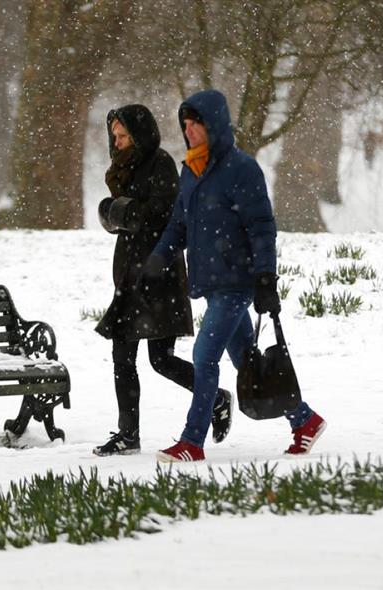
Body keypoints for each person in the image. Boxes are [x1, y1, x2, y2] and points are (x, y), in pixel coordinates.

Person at [139, 89, 326, 463]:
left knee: (204, 355)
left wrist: (265, 279)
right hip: (212, 283)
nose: (189, 131)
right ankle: (303, 420)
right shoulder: (190, 171)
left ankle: (192, 441)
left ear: (215, 125)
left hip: (238, 283)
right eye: (186, 124)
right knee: (245, 359)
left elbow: (261, 228)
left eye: (197, 124)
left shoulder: (242, 169)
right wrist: (158, 258)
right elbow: (179, 224)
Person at [93, 104, 233, 457]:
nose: (118, 142)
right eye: (115, 136)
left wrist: (118, 211)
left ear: (140, 134)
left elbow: (160, 215)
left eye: (124, 135)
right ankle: (128, 435)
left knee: (160, 359)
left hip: (159, 275)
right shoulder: (121, 168)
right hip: (129, 274)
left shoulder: (161, 164)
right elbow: (124, 217)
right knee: (122, 355)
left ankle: (215, 398)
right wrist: (112, 215)